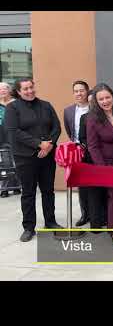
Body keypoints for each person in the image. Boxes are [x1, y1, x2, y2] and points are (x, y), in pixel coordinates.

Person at [4, 78, 63, 242]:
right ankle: (29, 227)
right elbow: (14, 131)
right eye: (25, 89)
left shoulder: (46, 105)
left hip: (47, 155)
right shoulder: (12, 108)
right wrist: (39, 144)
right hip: (25, 157)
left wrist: (49, 145)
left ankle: (50, 222)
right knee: (28, 193)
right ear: (18, 91)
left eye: (31, 87)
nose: (29, 91)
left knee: (48, 191)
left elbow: (56, 127)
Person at [86, 83, 113, 247]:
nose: (105, 101)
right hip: (109, 164)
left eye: (107, 97)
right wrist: (103, 169)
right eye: (101, 99)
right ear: (96, 101)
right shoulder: (92, 118)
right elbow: (93, 146)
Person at [78, 90, 107, 229]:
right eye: (89, 101)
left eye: (93, 101)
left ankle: (106, 218)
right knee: (93, 192)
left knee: (106, 191)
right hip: (90, 160)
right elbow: (82, 138)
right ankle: (95, 222)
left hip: (106, 157)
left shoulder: (107, 115)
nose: (91, 103)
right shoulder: (84, 117)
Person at [63, 80, 90, 226]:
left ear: (87, 91)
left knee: (97, 183)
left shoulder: (94, 107)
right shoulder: (68, 111)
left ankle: (99, 214)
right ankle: (85, 214)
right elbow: (70, 131)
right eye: (76, 91)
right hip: (77, 152)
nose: (79, 93)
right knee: (82, 185)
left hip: (94, 150)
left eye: (82, 90)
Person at [0, 82, 21, 198]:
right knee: (5, 163)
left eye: (4, 89)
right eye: (0, 89)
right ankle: (5, 188)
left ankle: (16, 186)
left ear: (9, 90)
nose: (2, 91)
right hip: (2, 137)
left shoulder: (16, 103)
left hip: (15, 136)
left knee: (17, 162)